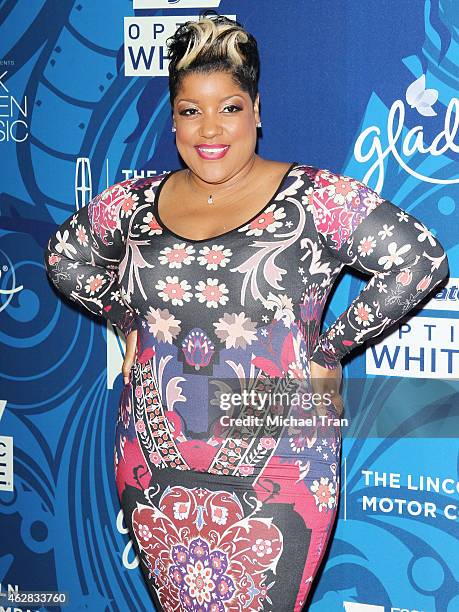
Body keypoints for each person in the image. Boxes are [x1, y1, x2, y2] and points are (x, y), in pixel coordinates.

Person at [43, 12, 449, 612]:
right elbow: (63, 259)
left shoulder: (312, 198)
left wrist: (329, 350)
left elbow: (420, 258)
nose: (210, 128)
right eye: (189, 110)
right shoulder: (131, 203)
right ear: (173, 117)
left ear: (256, 110)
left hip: (282, 462)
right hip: (151, 466)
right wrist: (124, 318)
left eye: (229, 107)